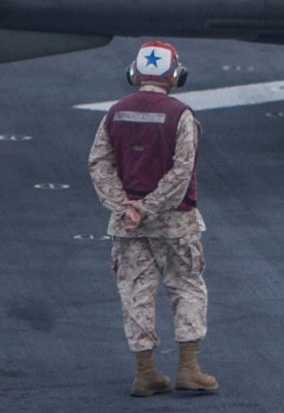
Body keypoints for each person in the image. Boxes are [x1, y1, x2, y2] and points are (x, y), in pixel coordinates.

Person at [87, 41, 220, 397]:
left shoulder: (115, 112)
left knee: (135, 294)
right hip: (175, 220)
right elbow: (181, 171)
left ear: (134, 73)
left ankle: (145, 373)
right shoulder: (181, 115)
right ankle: (189, 369)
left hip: (127, 225)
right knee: (187, 287)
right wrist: (149, 207)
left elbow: (99, 164)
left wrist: (125, 207)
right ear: (175, 75)